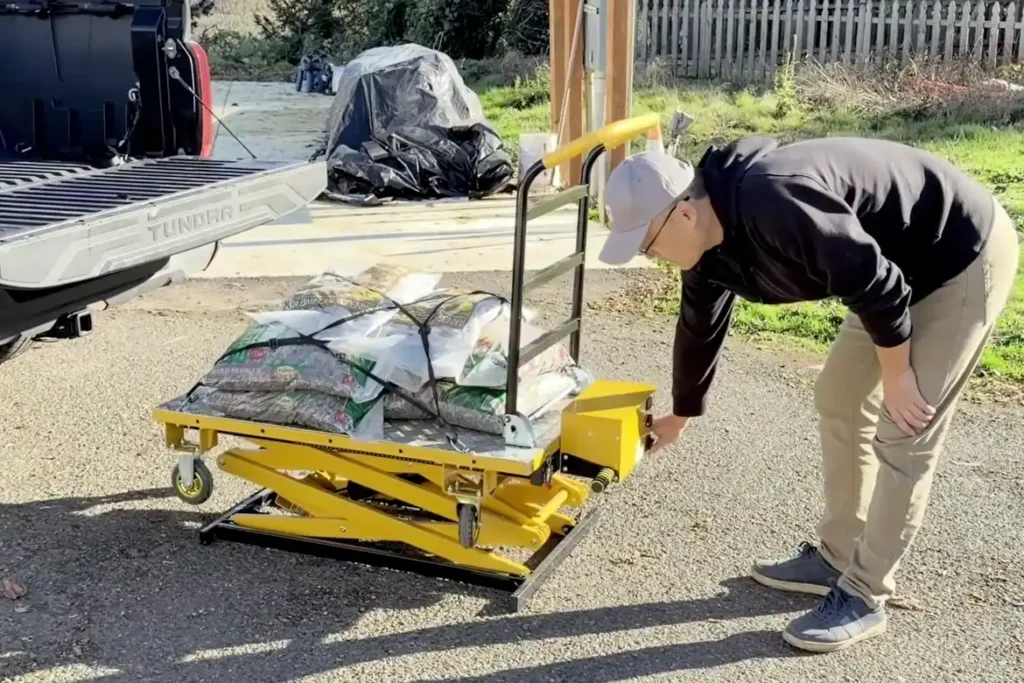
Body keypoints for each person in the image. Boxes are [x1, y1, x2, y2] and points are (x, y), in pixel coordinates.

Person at [597, 136, 1019, 653]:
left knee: (906, 430)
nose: (653, 257)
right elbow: (699, 325)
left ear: (683, 213)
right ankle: (837, 556)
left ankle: (865, 594)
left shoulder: (774, 199)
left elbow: (878, 285)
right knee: (838, 397)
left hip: (955, 256)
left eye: (648, 244)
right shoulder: (706, 243)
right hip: (884, 274)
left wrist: (899, 377)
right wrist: (681, 416)